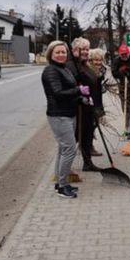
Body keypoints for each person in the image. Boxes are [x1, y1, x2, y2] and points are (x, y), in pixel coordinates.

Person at [41, 40, 88, 199]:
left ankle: (60, 183)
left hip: (69, 113)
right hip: (59, 115)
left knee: (63, 149)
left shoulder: (64, 69)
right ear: (51, 54)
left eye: (63, 52)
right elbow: (57, 93)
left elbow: (69, 93)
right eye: (58, 52)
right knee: (69, 150)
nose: (61, 55)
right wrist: (78, 90)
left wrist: (81, 99)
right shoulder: (50, 71)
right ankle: (62, 186)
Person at [65, 37, 101, 172]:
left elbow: (91, 80)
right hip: (77, 107)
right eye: (83, 49)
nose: (86, 52)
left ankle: (88, 163)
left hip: (87, 107)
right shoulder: (71, 65)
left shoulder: (84, 64)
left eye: (87, 49)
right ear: (74, 50)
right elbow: (71, 83)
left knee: (86, 135)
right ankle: (63, 167)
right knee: (73, 138)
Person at [112, 44, 130, 139]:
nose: (124, 56)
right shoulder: (117, 61)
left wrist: (129, 71)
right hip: (123, 88)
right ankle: (127, 128)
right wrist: (120, 72)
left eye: (125, 54)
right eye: (122, 54)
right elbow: (114, 73)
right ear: (119, 54)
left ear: (128, 53)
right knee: (125, 109)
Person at [88, 48, 107, 156]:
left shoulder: (100, 70)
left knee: (95, 123)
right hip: (91, 100)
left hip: (98, 100)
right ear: (90, 60)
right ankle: (88, 146)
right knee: (90, 124)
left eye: (100, 60)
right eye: (95, 60)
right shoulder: (88, 70)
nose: (98, 62)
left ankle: (87, 145)